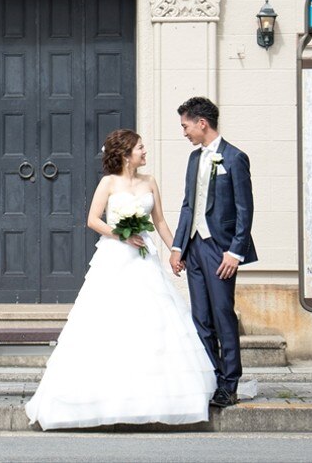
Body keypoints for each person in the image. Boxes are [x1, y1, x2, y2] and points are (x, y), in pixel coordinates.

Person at [25, 129, 216, 430]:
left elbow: (161, 222)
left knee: (155, 322)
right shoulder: (109, 183)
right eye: (141, 147)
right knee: (111, 322)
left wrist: (176, 251)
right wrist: (122, 235)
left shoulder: (149, 181)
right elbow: (92, 219)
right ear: (127, 154)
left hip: (145, 260)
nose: (145, 152)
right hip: (116, 258)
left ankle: (157, 398)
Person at [171, 97, 257, 409]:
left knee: (223, 315)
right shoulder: (194, 159)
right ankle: (212, 377)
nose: (184, 132)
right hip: (194, 248)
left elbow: (244, 211)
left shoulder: (235, 158)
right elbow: (187, 205)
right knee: (200, 318)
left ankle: (230, 382)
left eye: (185, 126)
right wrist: (178, 247)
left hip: (220, 250)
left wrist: (235, 252)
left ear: (202, 123)